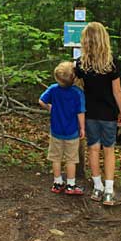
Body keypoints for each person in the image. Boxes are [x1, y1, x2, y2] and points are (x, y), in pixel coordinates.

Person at [74, 22, 121, 206]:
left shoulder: (81, 64)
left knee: (93, 149)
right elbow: (117, 91)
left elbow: (76, 85)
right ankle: (109, 190)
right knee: (109, 150)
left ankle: (97, 187)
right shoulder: (112, 63)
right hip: (108, 113)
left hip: (89, 113)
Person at [39, 61, 86, 195]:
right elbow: (80, 112)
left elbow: (41, 100)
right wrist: (82, 128)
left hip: (56, 131)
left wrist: (49, 107)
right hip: (72, 132)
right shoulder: (78, 93)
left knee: (56, 158)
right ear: (74, 78)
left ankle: (57, 182)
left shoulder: (53, 89)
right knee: (71, 159)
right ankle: (70, 185)